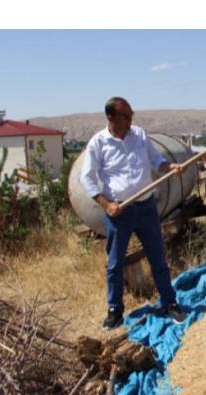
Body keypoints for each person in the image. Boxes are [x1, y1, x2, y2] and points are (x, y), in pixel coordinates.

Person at [80, 96, 187, 329]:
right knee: (115, 264)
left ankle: (170, 303)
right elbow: (86, 179)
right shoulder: (98, 143)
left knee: (158, 258)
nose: (131, 120)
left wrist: (169, 167)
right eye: (126, 116)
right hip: (119, 212)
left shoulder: (139, 134)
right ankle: (115, 311)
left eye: (131, 115)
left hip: (147, 208)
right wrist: (106, 204)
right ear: (111, 118)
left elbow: (156, 160)